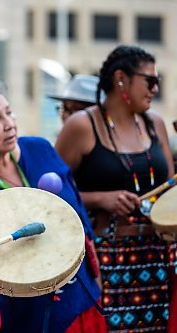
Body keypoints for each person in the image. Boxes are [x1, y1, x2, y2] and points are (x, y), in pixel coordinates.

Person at [0, 77, 106, 333]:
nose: (9, 124)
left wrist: (97, 280)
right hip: (26, 314)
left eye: (9, 113)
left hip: (81, 294)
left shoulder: (40, 149)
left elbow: (78, 215)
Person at [55, 45, 174, 332]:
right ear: (121, 78)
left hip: (159, 258)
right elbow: (49, 197)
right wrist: (100, 199)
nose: (155, 89)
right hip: (106, 261)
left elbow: (169, 192)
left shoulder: (154, 123)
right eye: (150, 81)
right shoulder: (83, 125)